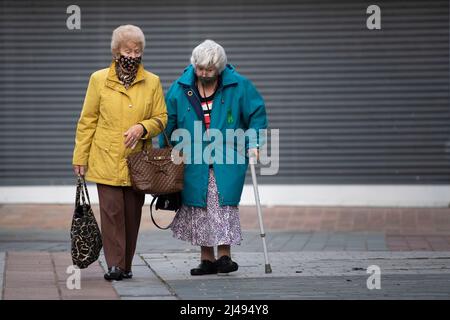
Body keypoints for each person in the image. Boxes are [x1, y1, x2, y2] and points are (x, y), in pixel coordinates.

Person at [161, 40, 268, 275]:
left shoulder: (239, 85)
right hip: (192, 157)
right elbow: (169, 120)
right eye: (200, 69)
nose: (204, 74)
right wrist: (163, 151)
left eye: (209, 70)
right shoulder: (181, 88)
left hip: (227, 156)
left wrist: (255, 144)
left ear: (219, 67)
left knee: (223, 204)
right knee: (199, 206)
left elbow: (256, 116)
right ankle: (206, 259)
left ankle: (225, 256)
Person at [72, 25, 167, 281]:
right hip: (106, 157)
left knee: (132, 215)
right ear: (116, 51)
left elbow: (161, 118)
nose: (133, 55)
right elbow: (88, 120)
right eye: (127, 50)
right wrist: (80, 156)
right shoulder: (99, 79)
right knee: (112, 213)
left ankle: (126, 265)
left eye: (137, 51)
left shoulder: (152, 82)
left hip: (138, 162)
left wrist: (142, 127)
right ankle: (114, 265)